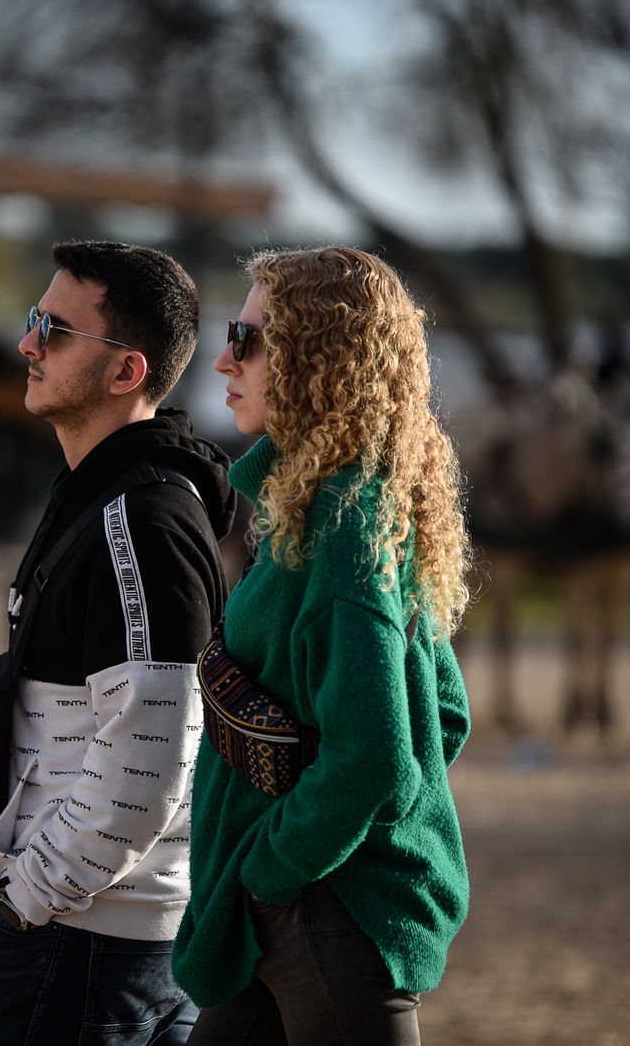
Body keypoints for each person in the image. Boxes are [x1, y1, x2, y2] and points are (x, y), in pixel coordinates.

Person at [175, 246, 474, 1044]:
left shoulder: (342, 525)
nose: (223, 358)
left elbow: (380, 755)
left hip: (323, 912)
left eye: (248, 339)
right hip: (289, 911)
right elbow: (442, 714)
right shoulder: (328, 504)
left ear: (321, 356)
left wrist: (276, 866)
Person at [0, 240, 237, 1045]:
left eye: (52, 329)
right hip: (118, 941)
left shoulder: (141, 519)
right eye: (31, 321)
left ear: (126, 373)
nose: (27, 344)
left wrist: (28, 902)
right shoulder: (112, 496)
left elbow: (152, 751)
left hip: (85, 947)